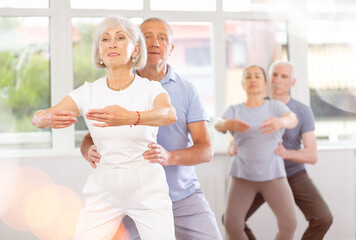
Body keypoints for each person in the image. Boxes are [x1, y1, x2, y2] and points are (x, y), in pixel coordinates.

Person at [32, 16, 177, 240]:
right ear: (100, 51)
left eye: (120, 38)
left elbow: (169, 114)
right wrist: (43, 119)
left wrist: (130, 116)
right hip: (104, 190)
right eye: (105, 39)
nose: (112, 44)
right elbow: (42, 116)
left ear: (136, 49)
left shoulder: (150, 89)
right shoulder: (88, 92)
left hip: (147, 188)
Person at [80, 17, 223, 240]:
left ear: (171, 48)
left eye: (162, 38)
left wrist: (168, 156)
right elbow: (91, 137)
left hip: (183, 198)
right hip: (135, 198)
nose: (155, 43)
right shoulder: (116, 85)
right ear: (137, 46)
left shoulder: (187, 90)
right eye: (147, 37)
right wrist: (88, 150)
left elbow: (205, 150)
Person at [227, 60, 333, 240]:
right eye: (274, 75)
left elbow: (312, 155)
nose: (277, 80)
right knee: (231, 221)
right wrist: (232, 144)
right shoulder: (254, 105)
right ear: (268, 80)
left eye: (283, 77)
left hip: (292, 174)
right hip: (258, 174)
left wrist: (286, 153)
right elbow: (233, 132)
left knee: (323, 218)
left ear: (292, 83)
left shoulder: (302, 111)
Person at [215, 65, 298, 240]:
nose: (253, 79)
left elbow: (293, 119)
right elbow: (218, 124)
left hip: (273, 175)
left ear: (265, 83)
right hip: (242, 175)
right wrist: (229, 124)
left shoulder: (275, 107)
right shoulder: (235, 110)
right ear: (243, 84)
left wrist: (280, 122)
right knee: (232, 224)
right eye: (248, 77)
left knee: (289, 224)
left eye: (257, 76)